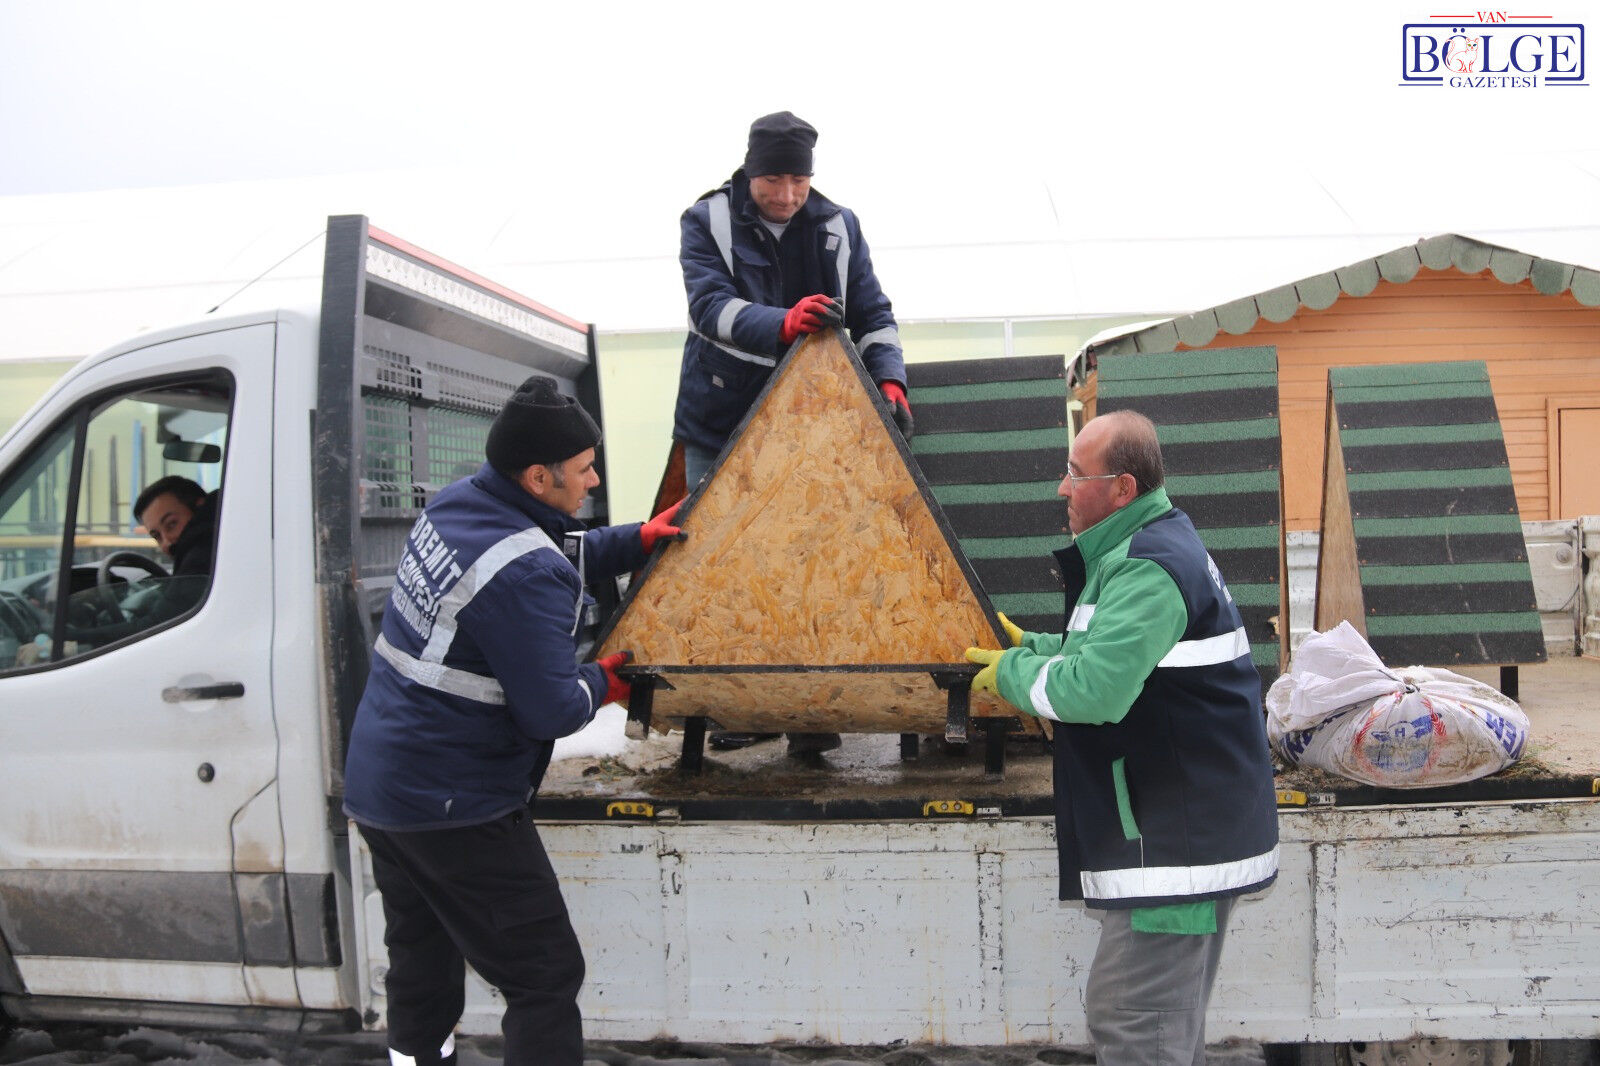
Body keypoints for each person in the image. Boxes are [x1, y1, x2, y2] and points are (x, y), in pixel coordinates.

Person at [342, 375, 684, 1066]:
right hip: (455, 804)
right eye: (584, 470)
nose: (592, 481)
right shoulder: (522, 569)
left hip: (383, 790)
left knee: (422, 961)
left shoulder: (458, 505)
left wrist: (635, 540)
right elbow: (552, 708)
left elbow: (539, 547)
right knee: (543, 977)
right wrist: (607, 682)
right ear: (538, 475)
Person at [964, 410, 1279, 1066]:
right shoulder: (1146, 547)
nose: (1062, 488)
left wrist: (1011, 675)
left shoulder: (1149, 568)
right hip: (1181, 835)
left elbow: (1096, 692)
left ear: (1124, 488)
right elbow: (1107, 649)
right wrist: (1033, 644)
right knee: (1158, 1024)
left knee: (1137, 1022)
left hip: (1174, 850)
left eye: (1078, 475)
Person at [673, 109, 910, 756]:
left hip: (813, 424)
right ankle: (739, 708)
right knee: (721, 558)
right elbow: (709, 309)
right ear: (750, 171)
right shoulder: (706, 221)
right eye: (773, 180)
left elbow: (873, 309)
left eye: (798, 181)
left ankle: (813, 714)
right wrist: (783, 322)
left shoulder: (839, 224)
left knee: (812, 557)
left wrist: (890, 379)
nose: (785, 195)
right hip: (721, 418)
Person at [133, 475, 220, 576]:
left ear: (200, 508)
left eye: (171, 524)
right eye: (157, 536)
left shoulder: (199, 559)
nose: (166, 542)